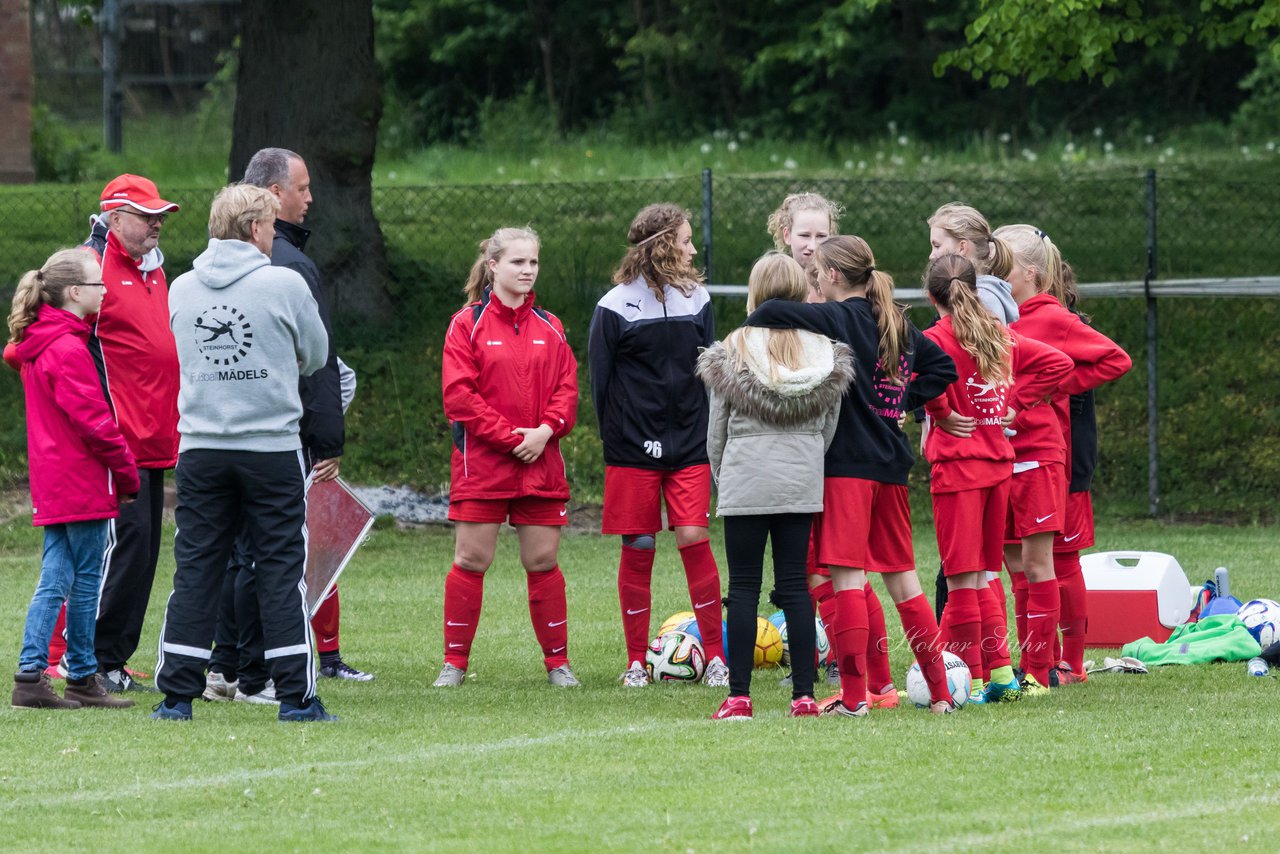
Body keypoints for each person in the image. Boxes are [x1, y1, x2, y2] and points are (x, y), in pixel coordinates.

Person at [746, 235, 959, 715]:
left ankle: (856, 697)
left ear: (836, 276)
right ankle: (941, 696)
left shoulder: (841, 317)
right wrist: (898, 400)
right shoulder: (897, 320)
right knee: (905, 581)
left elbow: (763, 315)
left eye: (817, 272)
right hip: (892, 467)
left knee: (847, 581)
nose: (814, 280)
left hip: (846, 471)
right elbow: (942, 368)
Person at [152, 183, 333, 722]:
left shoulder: (180, 287)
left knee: (197, 569)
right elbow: (316, 355)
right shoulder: (284, 283)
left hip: (201, 448)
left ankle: (177, 696)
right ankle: (296, 698)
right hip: (270, 447)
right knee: (279, 567)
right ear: (256, 229)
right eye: (273, 227)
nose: (275, 237)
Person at [201, 148, 371, 705]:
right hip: (274, 438)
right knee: (267, 556)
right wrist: (326, 438)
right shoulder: (290, 267)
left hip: (211, 438)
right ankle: (255, 672)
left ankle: (222, 665)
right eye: (301, 187)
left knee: (229, 555)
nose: (310, 198)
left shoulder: (197, 277)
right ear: (271, 199)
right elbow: (316, 364)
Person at [697, 252, 854, 719]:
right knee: (795, 586)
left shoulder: (734, 347)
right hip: (800, 479)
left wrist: (724, 475)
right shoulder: (822, 350)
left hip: (746, 476)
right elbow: (829, 426)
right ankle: (803, 696)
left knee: (743, 586)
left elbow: (716, 431)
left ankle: (739, 696)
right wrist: (806, 462)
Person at [589, 203, 729, 688]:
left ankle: (716, 657)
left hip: (689, 445)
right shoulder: (613, 305)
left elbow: (711, 373)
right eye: (686, 241)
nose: (693, 250)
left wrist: (705, 437)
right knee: (641, 543)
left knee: (693, 537)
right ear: (664, 244)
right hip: (633, 451)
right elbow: (601, 386)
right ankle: (634, 661)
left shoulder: (698, 299)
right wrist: (624, 442)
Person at [433, 227, 580, 688]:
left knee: (542, 562)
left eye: (533, 262)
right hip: (485, 465)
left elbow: (567, 392)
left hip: (540, 463)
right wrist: (510, 437)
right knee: (471, 559)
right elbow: (459, 397)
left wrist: (544, 432)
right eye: (518, 262)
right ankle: (453, 665)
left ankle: (559, 665)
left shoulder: (551, 327)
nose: (527, 270)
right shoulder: (465, 324)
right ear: (493, 265)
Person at [920, 254, 1071, 703]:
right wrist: (1015, 406)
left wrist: (943, 413)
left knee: (964, 577)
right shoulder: (999, 334)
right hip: (998, 467)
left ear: (932, 296)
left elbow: (919, 382)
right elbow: (1060, 364)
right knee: (986, 575)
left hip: (958, 472)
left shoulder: (933, 339)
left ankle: (958, 676)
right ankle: (1000, 675)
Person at [993, 224, 1132, 696]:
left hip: (1059, 460)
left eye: (1001, 264)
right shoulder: (997, 315)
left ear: (1030, 273)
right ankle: (1039, 658)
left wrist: (1056, 384)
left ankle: (1070, 662)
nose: (992, 273)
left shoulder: (1052, 318)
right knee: (1020, 565)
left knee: (1061, 560)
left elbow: (1115, 360)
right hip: (1010, 455)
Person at [8, 249, 140, 711]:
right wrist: (126, 472)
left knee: (58, 576)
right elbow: (96, 423)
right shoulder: (67, 348)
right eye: (98, 284)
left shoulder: (43, 342)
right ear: (75, 293)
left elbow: (13, 353)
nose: (105, 291)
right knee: (82, 581)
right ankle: (76, 675)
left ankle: (39, 675)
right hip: (81, 481)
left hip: (55, 480)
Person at [74, 175, 182, 694]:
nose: (156, 223)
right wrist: (95, 423)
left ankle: (113, 661)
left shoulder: (154, 270)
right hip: (117, 440)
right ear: (114, 218)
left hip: (155, 437)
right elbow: (66, 350)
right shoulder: (89, 268)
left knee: (143, 551)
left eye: (160, 214)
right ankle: (86, 662)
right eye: (145, 215)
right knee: (122, 547)